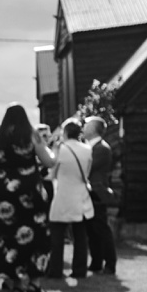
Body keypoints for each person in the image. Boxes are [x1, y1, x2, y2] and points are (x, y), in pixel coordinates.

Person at [0, 104, 54, 292]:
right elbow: (49, 161)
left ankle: (10, 279)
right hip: (30, 191)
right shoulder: (32, 137)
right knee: (35, 233)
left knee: (4, 234)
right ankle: (34, 281)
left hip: (3, 194)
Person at [45, 119, 94, 279]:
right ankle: (80, 270)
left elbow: (52, 172)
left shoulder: (61, 148)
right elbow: (87, 172)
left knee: (57, 235)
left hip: (63, 194)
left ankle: (55, 269)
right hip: (81, 195)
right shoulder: (88, 149)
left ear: (65, 133)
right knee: (80, 236)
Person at [82, 116, 119, 275]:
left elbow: (88, 167)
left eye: (87, 125)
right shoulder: (90, 147)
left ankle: (110, 262)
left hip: (97, 192)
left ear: (94, 129)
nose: (84, 127)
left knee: (101, 228)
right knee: (91, 229)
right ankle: (96, 262)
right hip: (88, 192)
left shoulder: (102, 149)